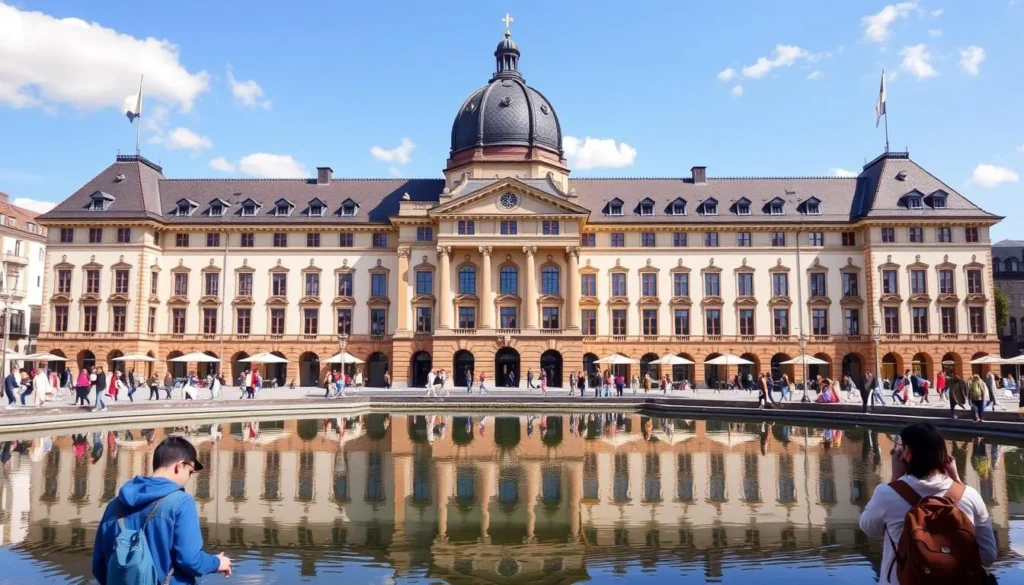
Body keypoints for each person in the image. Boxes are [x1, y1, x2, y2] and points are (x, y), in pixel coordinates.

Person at [858, 423, 996, 585]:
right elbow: (988, 557)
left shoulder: (886, 494)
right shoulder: (970, 495)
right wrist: (958, 483)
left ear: (907, 453)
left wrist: (895, 482)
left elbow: (869, 529)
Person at [92, 436, 231, 585]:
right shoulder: (181, 503)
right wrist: (217, 562)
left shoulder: (114, 505)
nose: (188, 478)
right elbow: (190, 560)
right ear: (180, 466)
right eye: (190, 472)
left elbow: (99, 566)